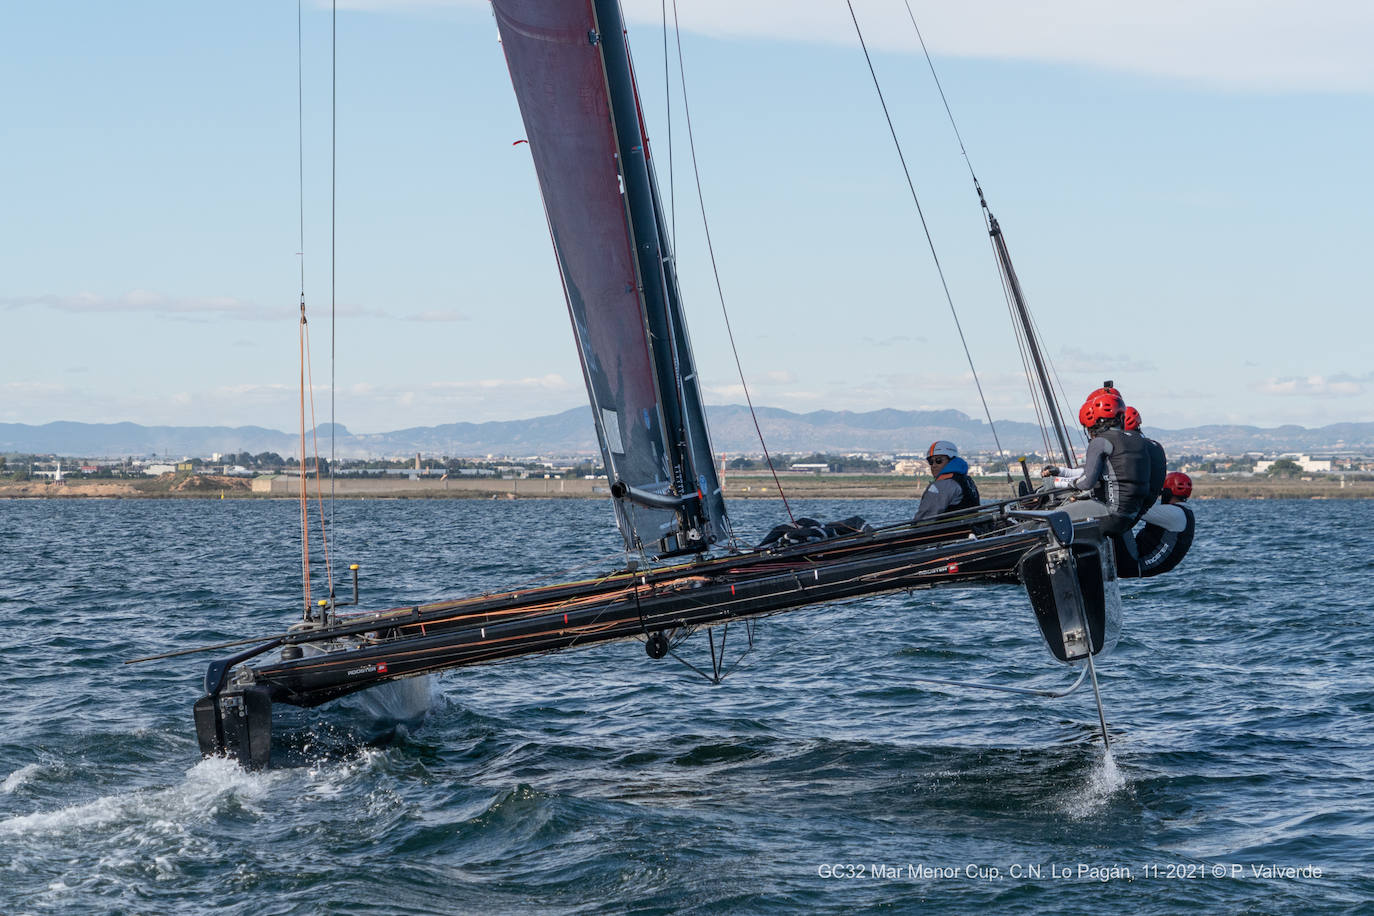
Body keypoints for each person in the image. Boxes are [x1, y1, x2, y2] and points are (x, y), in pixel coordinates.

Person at [1039, 391, 1152, 537]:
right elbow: (1104, 472)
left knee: (1048, 520)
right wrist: (1060, 472)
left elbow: (1086, 482)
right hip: (1130, 516)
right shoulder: (1137, 440)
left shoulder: (1100, 442)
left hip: (1111, 513)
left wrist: (1058, 483)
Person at [1135, 471, 1196, 576]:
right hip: (1145, 564)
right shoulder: (1184, 512)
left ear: (1167, 492)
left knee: (1119, 518)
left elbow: (1132, 510)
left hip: (1137, 564)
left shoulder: (1174, 513)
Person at [912, 440, 980, 522]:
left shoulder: (941, 485)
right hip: (969, 529)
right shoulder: (967, 480)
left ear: (951, 460)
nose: (934, 465)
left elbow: (924, 519)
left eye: (938, 460)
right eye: (930, 461)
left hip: (947, 532)